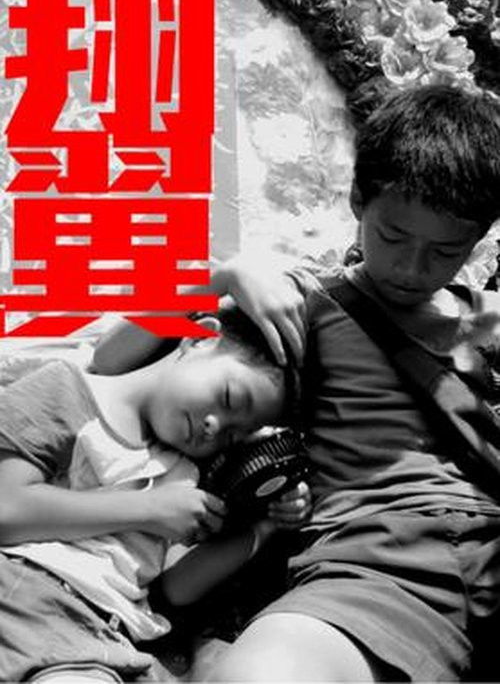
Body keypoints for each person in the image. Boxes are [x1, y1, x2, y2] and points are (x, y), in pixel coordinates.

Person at [200, 84, 500, 682]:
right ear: (359, 200)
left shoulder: (489, 318)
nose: (412, 268)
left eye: (446, 251)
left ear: (480, 237)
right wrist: (224, 275)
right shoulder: (307, 305)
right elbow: (114, 363)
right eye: (393, 237)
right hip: (373, 561)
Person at [0, 306, 311, 683]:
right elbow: (7, 509)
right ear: (198, 338)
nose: (215, 426)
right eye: (228, 398)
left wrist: (265, 526)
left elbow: (175, 591)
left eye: (233, 435)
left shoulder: (187, 476)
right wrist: (147, 509)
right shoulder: (68, 389)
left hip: (109, 637)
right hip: (27, 596)